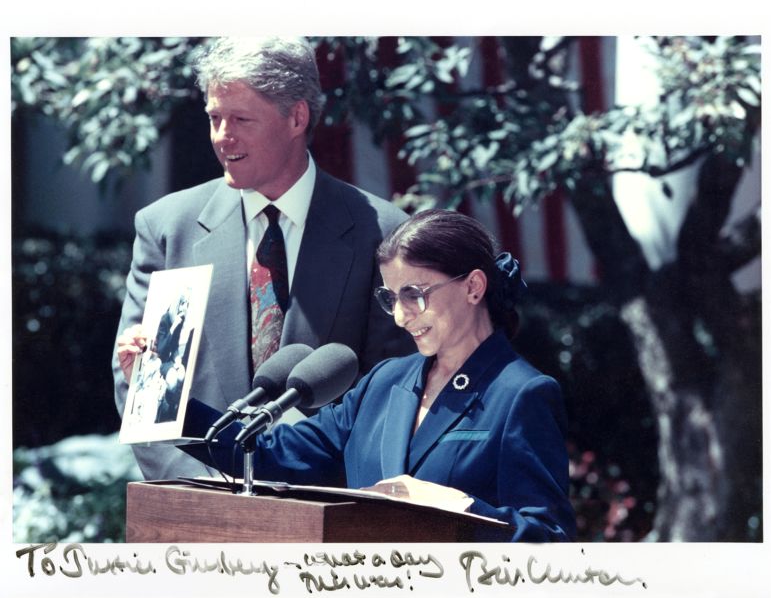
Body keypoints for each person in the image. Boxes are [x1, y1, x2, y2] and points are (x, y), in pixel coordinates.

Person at [114, 37, 413, 481]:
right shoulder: (166, 226)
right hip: (198, 505)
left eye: (240, 119)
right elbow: (140, 383)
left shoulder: (383, 233)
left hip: (329, 511)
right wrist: (207, 490)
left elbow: (394, 390)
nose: (222, 137)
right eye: (214, 118)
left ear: (296, 117)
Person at [187, 209, 576, 542]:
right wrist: (163, 401)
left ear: (473, 287)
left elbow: (548, 537)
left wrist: (454, 507)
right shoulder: (385, 381)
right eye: (391, 298)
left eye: (414, 295)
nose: (401, 316)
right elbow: (271, 452)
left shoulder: (523, 393)